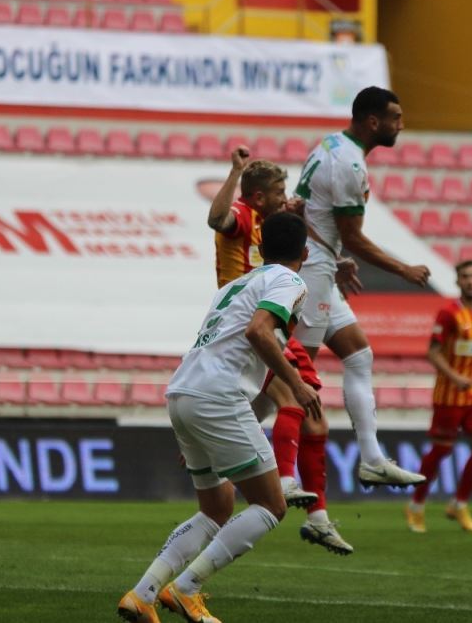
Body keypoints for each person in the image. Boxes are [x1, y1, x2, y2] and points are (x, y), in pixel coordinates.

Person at [118, 212, 322, 623]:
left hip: (184, 392)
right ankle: (187, 589)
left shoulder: (234, 284)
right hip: (215, 396)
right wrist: (296, 382)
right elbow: (258, 333)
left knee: (216, 506)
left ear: (260, 249)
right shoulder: (289, 280)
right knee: (270, 504)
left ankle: (143, 595)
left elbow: (230, 348)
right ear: (305, 252)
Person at [207, 146, 353, 555]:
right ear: (257, 197)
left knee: (316, 419)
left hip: (275, 323)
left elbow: (303, 243)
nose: (284, 195)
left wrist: (334, 255)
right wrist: (235, 172)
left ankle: (318, 518)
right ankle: (284, 480)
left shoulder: (276, 226)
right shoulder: (242, 217)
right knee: (291, 397)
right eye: (279, 190)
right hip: (247, 325)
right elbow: (215, 219)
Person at [292, 86, 430, 488]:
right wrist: (403, 269)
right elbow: (352, 236)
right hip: (312, 274)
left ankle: (371, 458)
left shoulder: (331, 145)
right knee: (294, 376)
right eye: (396, 119)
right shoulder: (350, 165)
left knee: (358, 355)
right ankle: (232, 447)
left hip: (318, 264)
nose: (401, 126)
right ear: (374, 122)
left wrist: (332, 259)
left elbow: (311, 214)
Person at [405, 260, 472, 533]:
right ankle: (416, 505)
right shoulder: (448, 314)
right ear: (457, 282)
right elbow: (432, 352)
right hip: (449, 394)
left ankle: (459, 503)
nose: (470, 281)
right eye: (465, 276)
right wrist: (455, 377)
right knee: (442, 450)